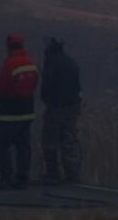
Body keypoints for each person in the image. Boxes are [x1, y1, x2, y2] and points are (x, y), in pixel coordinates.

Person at [0, 33, 39, 190]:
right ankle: (22, 177)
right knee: (23, 146)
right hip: (27, 111)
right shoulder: (31, 62)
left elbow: (1, 87)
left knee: (1, 145)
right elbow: (34, 83)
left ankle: (6, 177)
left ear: (9, 47)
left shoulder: (10, 64)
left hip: (10, 112)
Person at [40, 37, 82, 184]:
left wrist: (46, 99)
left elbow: (46, 87)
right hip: (73, 107)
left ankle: (53, 173)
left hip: (56, 107)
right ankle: (72, 175)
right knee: (69, 140)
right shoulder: (71, 63)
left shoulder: (52, 64)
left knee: (50, 140)